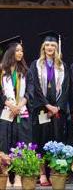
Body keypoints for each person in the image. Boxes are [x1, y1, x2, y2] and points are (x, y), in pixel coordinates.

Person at [30, 31, 69, 186]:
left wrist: (57, 107)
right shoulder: (36, 65)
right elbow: (36, 87)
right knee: (40, 141)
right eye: (47, 45)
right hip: (42, 110)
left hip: (57, 112)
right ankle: (41, 174)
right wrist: (47, 105)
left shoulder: (63, 66)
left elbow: (66, 88)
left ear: (57, 48)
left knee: (57, 140)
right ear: (43, 47)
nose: (50, 47)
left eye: (53, 45)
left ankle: (54, 172)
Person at [0, 36, 33, 187]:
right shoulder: (2, 72)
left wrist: (19, 106)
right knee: (5, 143)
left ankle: (18, 176)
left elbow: (30, 92)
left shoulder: (26, 71)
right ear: (11, 52)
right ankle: (6, 175)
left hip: (21, 113)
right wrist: (9, 104)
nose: (20, 53)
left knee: (22, 143)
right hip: (6, 113)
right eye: (17, 50)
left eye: (22, 51)